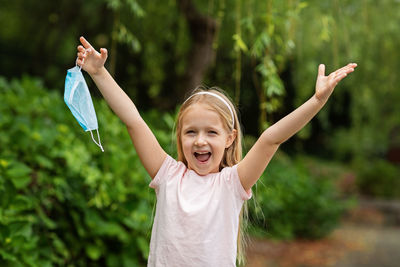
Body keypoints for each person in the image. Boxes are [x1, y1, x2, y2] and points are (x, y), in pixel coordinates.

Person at [76, 36, 357, 266]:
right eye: (191, 132)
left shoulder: (231, 184)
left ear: (229, 139)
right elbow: (133, 120)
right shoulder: (168, 175)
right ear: (179, 137)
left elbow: (271, 139)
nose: (200, 141)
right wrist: (100, 73)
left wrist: (317, 101)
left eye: (211, 132)